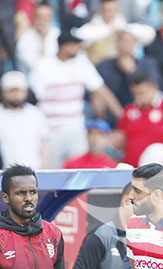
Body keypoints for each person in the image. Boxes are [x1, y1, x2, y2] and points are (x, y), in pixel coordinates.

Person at [29, 30, 122, 168]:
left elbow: (101, 90)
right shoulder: (44, 66)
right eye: (75, 45)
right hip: (51, 131)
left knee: (79, 172)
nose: (79, 48)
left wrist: (121, 117)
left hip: (76, 130)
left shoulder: (81, 62)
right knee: (52, 174)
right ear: (64, 46)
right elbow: (35, 103)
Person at [0, 71, 50, 169]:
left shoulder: (36, 113)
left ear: (26, 92)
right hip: (1, 173)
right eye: (11, 91)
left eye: (19, 90)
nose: (15, 94)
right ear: (3, 92)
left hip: (33, 172)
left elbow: (44, 146)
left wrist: (44, 171)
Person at [115, 73, 163, 167]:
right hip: (131, 170)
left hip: (159, 171)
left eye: (142, 93)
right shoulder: (129, 110)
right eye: (135, 94)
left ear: (154, 87)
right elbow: (120, 138)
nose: (138, 97)